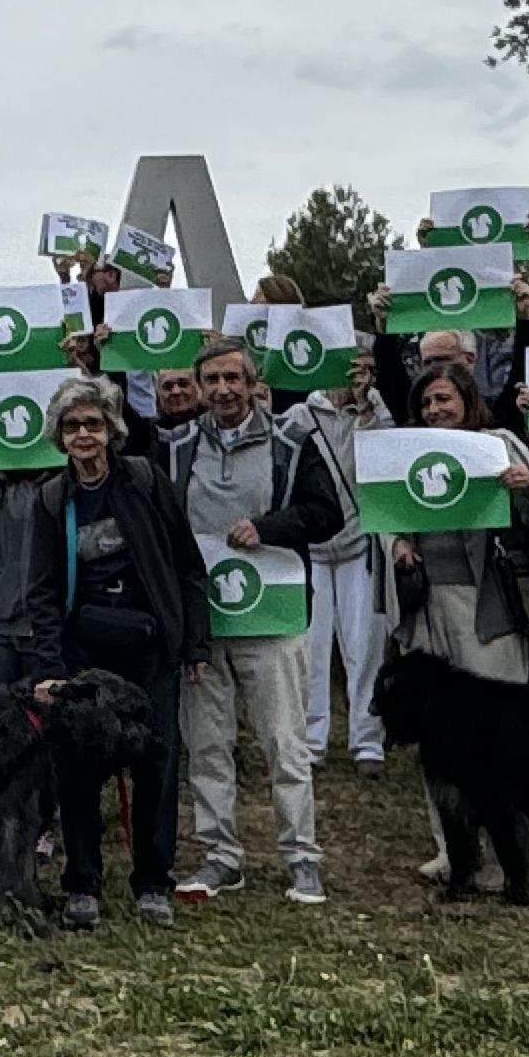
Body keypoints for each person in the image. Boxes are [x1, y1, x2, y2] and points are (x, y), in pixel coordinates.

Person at [0, 374, 192, 927]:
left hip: (149, 647)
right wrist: (49, 669)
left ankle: (153, 882)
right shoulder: (53, 498)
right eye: (72, 426)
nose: (83, 436)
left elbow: (186, 565)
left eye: (93, 424)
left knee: (156, 767)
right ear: (58, 435)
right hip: (82, 653)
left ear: (112, 430)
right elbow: (42, 590)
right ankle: (82, 884)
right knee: (77, 770)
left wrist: (193, 644)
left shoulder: (146, 481)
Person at [165, 337, 347, 905]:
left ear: (253, 384)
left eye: (233, 379)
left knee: (284, 743)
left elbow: (328, 515)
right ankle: (221, 855)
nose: (222, 389)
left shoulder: (291, 443)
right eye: (211, 380)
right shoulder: (175, 448)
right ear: (197, 388)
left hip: (272, 612)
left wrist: (269, 527)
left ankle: (302, 858)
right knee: (208, 743)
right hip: (203, 620)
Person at [391, 355, 529, 684]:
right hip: (429, 604)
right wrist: (397, 543)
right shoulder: (408, 454)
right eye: (426, 402)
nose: (433, 409)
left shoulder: (499, 445)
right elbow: (388, 519)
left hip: (491, 602)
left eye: (443, 398)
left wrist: (527, 491)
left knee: (496, 713)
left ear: (467, 400)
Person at [297, 352, 390, 762]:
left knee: (364, 647)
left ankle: (367, 740)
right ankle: (312, 742)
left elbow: (388, 453)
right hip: (314, 549)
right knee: (311, 650)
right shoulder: (300, 413)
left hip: (358, 543)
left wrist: (366, 403)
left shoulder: (373, 409)